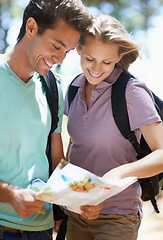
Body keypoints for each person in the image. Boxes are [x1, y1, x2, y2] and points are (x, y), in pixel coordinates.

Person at [0, 0, 96, 239]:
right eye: (56, 46)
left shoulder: (52, 87)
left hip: (40, 230)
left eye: (68, 51)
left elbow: (56, 161)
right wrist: (10, 194)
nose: (61, 59)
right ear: (31, 28)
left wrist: (79, 200)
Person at [64, 14, 163, 240]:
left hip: (117, 217)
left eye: (107, 62)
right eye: (90, 58)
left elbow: (162, 154)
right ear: (78, 50)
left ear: (119, 56)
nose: (97, 69)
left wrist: (117, 173)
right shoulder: (73, 88)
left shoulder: (132, 92)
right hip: (77, 211)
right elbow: (76, 147)